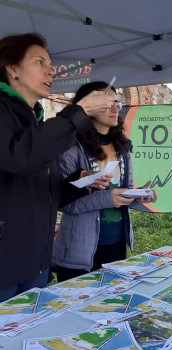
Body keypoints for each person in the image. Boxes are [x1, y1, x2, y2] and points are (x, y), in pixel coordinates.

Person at [0, 33, 115, 302]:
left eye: (50, 64)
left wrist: (80, 181)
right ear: (12, 68)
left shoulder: (37, 123)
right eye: (40, 62)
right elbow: (22, 157)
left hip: (35, 264)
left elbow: (43, 194)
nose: (51, 70)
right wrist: (78, 112)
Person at [52, 81, 157, 282]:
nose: (114, 108)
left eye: (116, 103)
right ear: (87, 106)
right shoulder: (72, 146)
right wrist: (107, 199)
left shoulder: (122, 146)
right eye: (106, 102)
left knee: (110, 307)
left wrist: (138, 196)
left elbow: (122, 192)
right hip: (78, 251)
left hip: (116, 245)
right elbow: (64, 203)